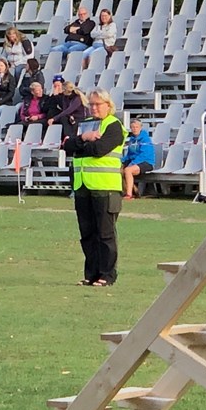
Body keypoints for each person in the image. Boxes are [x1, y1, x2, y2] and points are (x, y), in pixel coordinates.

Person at [62, 89, 126, 287]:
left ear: (108, 105)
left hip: (105, 188)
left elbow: (98, 150)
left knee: (105, 234)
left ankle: (107, 274)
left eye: (98, 104)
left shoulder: (114, 126)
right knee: (87, 233)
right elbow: (67, 146)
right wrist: (83, 138)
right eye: (91, 104)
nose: (94, 107)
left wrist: (80, 144)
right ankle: (91, 274)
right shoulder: (86, 125)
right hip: (83, 187)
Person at [121, 119, 156, 200]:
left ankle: (129, 194)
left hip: (147, 162)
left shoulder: (145, 139)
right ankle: (132, 190)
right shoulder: (132, 139)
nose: (135, 129)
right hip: (134, 161)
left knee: (128, 170)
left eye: (136, 127)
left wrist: (132, 164)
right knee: (119, 169)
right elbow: (129, 155)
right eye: (133, 127)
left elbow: (144, 155)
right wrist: (121, 161)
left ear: (140, 128)